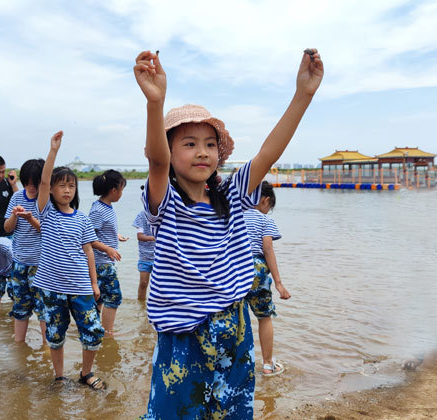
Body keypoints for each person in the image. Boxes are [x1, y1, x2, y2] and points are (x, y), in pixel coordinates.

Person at [133, 48, 323, 418]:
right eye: (189, 144)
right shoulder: (165, 203)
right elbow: (156, 162)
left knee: (234, 411)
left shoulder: (232, 196)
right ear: (171, 153)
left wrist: (303, 95)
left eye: (209, 145)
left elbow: (268, 154)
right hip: (182, 337)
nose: (202, 152)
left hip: (233, 326)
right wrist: (155, 103)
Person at [33, 131, 106, 390]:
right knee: (54, 333)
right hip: (52, 288)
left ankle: (86, 373)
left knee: (93, 331)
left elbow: (88, 252)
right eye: (61, 185)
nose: (66, 189)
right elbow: (42, 182)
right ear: (52, 190)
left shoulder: (82, 218)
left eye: (71, 185)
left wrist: (95, 284)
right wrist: (53, 151)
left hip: (81, 288)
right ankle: (60, 376)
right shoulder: (47, 212)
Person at [244, 180, 291, 376]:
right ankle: (267, 364)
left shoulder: (235, 216)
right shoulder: (265, 221)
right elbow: (268, 248)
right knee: (264, 317)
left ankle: (237, 365)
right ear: (265, 200)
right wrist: (279, 283)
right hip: (256, 269)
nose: (268, 210)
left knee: (238, 317)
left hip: (233, 267)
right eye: (269, 207)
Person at [3, 158, 48, 343]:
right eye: (26, 183)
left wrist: (30, 218)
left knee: (43, 309)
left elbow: (47, 229)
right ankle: (18, 344)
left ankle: (47, 349)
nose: (30, 187)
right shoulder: (16, 197)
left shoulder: (46, 199)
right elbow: (7, 228)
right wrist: (15, 215)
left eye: (34, 183)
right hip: (19, 262)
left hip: (41, 264)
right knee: (20, 308)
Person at [89, 169, 128, 336]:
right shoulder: (98, 210)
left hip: (105, 261)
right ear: (114, 190)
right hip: (101, 262)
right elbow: (88, 238)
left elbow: (102, 231)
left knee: (100, 298)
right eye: (121, 190)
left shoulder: (106, 207)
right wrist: (107, 248)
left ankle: (95, 328)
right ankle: (108, 333)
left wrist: (115, 236)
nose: (121, 194)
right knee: (113, 297)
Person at [132, 204, 155, 301]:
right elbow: (140, 236)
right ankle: (141, 305)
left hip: (159, 256)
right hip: (144, 256)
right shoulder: (142, 215)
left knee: (159, 285)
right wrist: (155, 237)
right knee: (143, 283)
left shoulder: (163, 215)